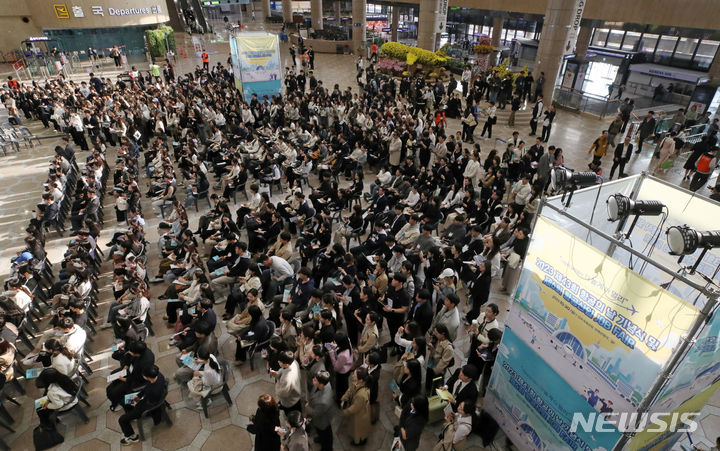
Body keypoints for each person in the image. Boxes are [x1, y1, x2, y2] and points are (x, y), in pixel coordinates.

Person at [117, 365, 167, 445]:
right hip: (146, 399)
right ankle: (131, 415)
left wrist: (136, 404)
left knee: (122, 419)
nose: (142, 376)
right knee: (124, 401)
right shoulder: (159, 375)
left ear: (148, 377)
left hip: (146, 406)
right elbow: (147, 387)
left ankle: (132, 437)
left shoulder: (153, 391)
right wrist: (139, 396)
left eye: (144, 375)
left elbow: (149, 404)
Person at [341, 366, 372, 447]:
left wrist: (343, 412)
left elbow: (355, 408)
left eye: (354, 375)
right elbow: (350, 390)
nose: (352, 376)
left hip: (360, 415)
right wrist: (344, 398)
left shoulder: (361, 395)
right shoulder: (356, 382)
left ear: (361, 379)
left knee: (358, 429)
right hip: (358, 410)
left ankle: (359, 442)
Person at [305, 370, 333, 451]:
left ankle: (327, 448)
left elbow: (316, 413)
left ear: (321, 384)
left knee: (325, 435)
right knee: (320, 433)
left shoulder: (323, 401)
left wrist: (307, 407)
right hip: (319, 416)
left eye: (315, 380)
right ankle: (321, 439)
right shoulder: (324, 383)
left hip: (322, 421)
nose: (313, 379)